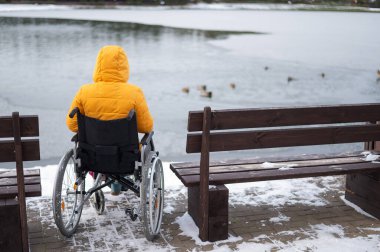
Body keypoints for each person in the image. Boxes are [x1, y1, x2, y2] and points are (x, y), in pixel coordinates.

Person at [66, 45, 154, 195]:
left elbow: (72, 125)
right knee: (147, 141)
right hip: (124, 159)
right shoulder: (134, 93)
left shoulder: (84, 91)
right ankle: (117, 184)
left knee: (96, 144)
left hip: (91, 158)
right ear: (124, 67)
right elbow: (146, 127)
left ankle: (106, 180)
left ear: (98, 65)